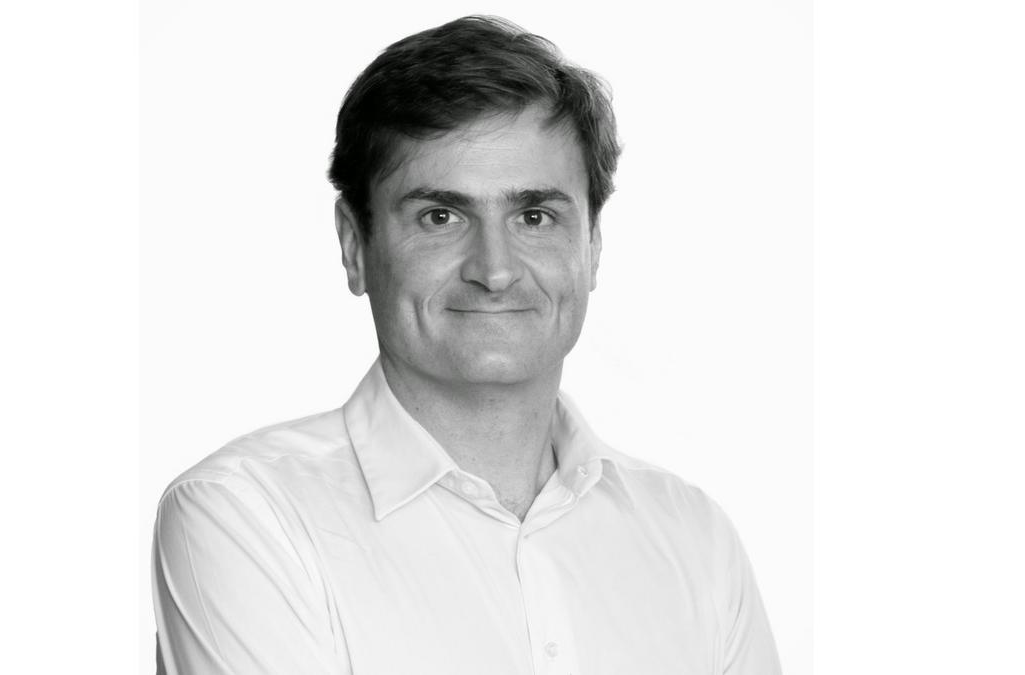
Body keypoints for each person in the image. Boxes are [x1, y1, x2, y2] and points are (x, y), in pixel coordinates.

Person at [152, 15, 781, 675]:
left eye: (534, 216)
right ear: (354, 245)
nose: (495, 269)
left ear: (592, 245)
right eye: (440, 216)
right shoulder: (244, 517)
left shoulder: (697, 540)